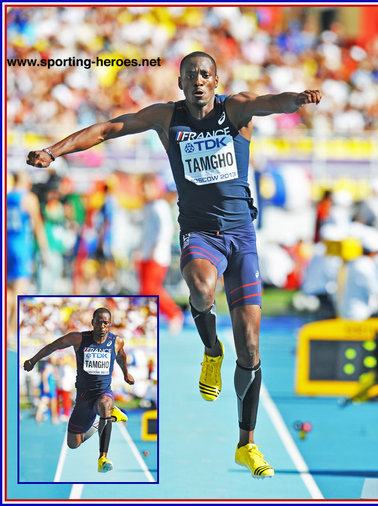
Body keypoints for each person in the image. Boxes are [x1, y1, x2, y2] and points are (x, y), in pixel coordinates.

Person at [26, 51, 321, 478]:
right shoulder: (168, 118)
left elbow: (272, 102)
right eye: (189, 75)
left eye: (205, 74)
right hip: (200, 234)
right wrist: (54, 151)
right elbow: (109, 128)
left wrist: (298, 98)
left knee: (252, 348)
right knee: (200, 288)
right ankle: (210, 350)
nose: (198, 81)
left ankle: (247, 444)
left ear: (216, 81)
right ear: (180, 83)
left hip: (242, 238)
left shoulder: (234, 109)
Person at [23, 307, 135, 473]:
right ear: (92, 323)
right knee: (73, 444)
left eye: (106, 323)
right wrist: (33, 361)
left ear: (110, 324)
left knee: (104, 404)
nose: (102, 326)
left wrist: (126, 374)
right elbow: (53, 346)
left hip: (103, 393)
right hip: (83, 398)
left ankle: (102, 458)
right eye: (99, 322)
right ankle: (107, 419)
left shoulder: (116, 341)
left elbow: (121, 356)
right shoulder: (78, 338)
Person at [137, 174, 184, 334]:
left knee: (152, 288)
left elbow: (166, 229)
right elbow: (145, 232)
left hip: (157, 255)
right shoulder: (147, 207)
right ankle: (148, 319)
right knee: (144, 290)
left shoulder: (160, 205)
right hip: (145, 254)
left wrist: (156, 249)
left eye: (146, 188)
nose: (143, 192)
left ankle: (174, 313)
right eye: (142, 189)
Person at [7, 171, 48, 347]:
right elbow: (37, 224)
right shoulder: (28, 198)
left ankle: (6, 330)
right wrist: (45, 251)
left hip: (7, 245)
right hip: (22, 248)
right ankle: (12, 333)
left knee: (8, 293)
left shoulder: (7, 197)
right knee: (20, 293)